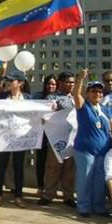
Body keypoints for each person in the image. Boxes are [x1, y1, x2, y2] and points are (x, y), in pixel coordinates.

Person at [72, 70, 112, 218]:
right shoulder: (83, 106)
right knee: (85, 179)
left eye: (100, 92)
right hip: (85, 149)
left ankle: (98, 207)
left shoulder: (105, 109)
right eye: (93, 91)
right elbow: (75, 95)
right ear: (88, 93)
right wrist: (80, 78)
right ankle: (83, 207)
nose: (97, 94)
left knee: (99, 181)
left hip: (103, 151)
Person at [37, 72, 77, 209]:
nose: (70, 85)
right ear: (60, 83)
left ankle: (68, 196)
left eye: (72, 82)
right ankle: (48, 195)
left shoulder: (76, 98)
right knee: (52, 168)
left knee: (69, 170)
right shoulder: (52, 97)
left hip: (71, 139)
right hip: (55, 139)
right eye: (67, 82)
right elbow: (45, 115)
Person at [0, 70, 30, 208]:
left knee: (18, 167)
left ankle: (18, 196)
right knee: (1, 166)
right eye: (8, 80)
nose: (8, 82)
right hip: (3, 138)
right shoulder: (2, 96)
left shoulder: (28, 98)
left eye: (12, 80)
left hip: (21, 139)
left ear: (20, 83)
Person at [33, 74, 57, 197]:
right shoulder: (37, 96)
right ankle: (40, 186)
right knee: (41, 161)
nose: (50, 86)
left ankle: (52, 188)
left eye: (53, 84)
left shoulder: (60, 98)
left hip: (56, 135)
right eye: (48, 83)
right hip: (41, 134)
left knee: (54, 164)